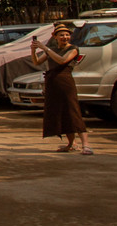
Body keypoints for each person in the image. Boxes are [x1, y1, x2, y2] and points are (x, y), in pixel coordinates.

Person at [31, 22, 91, 154]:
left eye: (67, 35)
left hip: (65, 83)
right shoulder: (52, 50)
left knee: (73, 112)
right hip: (53, 83)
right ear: (55, 36)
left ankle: (86, 145)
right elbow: (37, 62)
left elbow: (62, 60)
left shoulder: (72, 49)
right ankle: (71, 143)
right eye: (61, 35)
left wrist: (45, 48)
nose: (65, 37)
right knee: (61, 113)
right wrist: (33, 50)